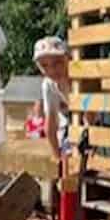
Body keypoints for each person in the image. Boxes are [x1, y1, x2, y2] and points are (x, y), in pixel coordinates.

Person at [33, 36, 72, 167]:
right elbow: (50, 125)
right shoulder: (48, 84)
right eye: (44, 65)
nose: (52, 70)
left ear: (68, 59)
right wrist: (57, 157)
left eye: (57, 63)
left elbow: (90, 115)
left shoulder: (78, 79)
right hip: (68, 133)